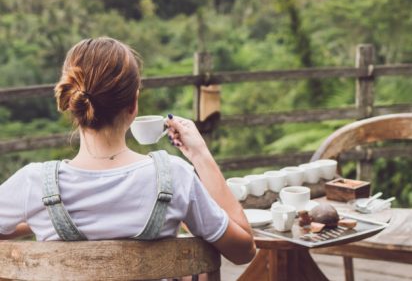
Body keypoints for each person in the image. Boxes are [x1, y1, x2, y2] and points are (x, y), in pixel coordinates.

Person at [0, 37, 255, 266]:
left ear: (71, 103)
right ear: (134, 104)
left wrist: (36, 216)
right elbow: (244, 251)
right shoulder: (175, 177)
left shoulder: (32, 185)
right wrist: (201, 155)